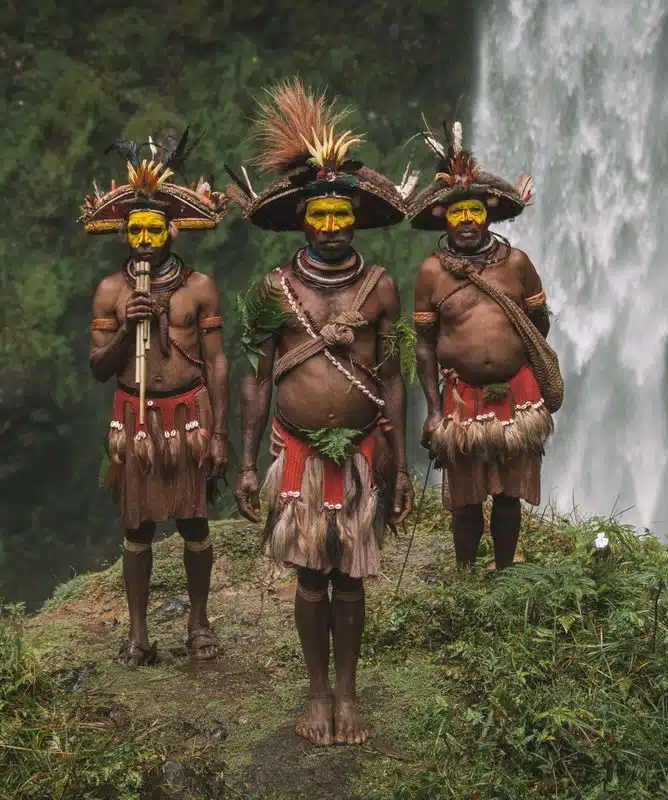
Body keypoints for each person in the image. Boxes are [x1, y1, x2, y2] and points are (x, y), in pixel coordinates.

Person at [228, 78, 418, 745]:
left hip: (364, 451)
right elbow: (255, 379)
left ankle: (348, 694)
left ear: (356, 220)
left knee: (352, 578)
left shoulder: (383, 288)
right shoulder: (270, 291)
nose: (333, 226)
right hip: (298, 452)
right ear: (303, 219)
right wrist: (247, 463)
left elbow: (394, 377)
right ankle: (314, 694)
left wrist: (401, 469)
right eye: (321, 215)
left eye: (343, 215)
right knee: (311, 576)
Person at [81, 131, 231, 667]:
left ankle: (198, 623)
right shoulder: (110, 292)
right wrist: (129, 329)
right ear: (124, 232)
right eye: (136, 229)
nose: (145, 238)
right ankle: (139, 634)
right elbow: (99, 368)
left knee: (193, 520)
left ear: (172, 229)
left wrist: (218, 433)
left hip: (189, 413)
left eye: (154, 228)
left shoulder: (199, 287)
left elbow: (216, 362)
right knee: (137, 524)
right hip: (135, 418)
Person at [408, 120, 564, 571]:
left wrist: (516, 363)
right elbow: (424, 347)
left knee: (508, 494)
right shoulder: (431, 274)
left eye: (475, 212)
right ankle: (464, 571)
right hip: (461, 398)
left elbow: (537, 323)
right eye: (457, 214)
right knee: (467, 496)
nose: (467, 222)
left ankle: (504, 571)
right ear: (444, 219)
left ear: (489, 217)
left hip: (516, 394)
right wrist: (435, 410)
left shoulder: (517, 264)